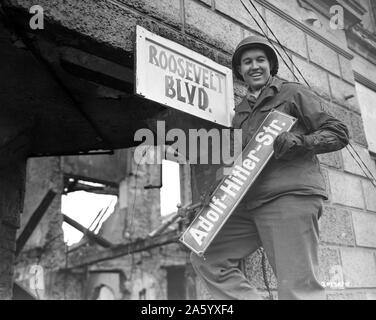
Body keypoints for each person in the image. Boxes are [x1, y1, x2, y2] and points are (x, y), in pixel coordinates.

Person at [190, 35, 349, 300]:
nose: (254, 66)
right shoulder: (240, 113)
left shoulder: (292, 92)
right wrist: (215, 192)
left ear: (270, 65)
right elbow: (241, 161)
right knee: (206, 254)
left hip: (289, 196)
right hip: (249, 203)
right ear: (239, 70)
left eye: (260, 60)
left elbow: (339, 132)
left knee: (297, 288)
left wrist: (302, 141)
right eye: (247, 62)